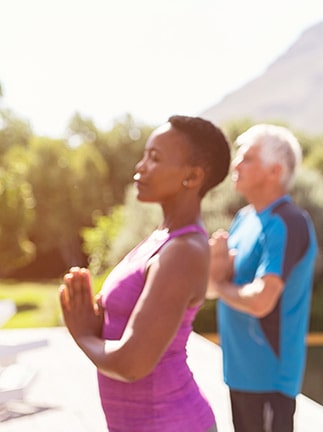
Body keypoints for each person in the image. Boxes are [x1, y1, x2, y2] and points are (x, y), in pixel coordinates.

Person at [58, 115, 231, 432]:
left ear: (192, 177)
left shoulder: (184, 250)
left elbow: (132, 364)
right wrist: (99, 325)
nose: (140, 166)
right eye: (144, 154)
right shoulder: (161, 238)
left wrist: (83, 335)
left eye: (155, 158)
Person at [207, 124, 318, 432]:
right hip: (239, 373)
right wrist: (216, 268)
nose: (236, 164)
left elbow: (260, 300)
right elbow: (212, 290)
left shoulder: (288, 222)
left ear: (275, 170)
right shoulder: (245, 218)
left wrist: (220, 283)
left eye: (248, 158)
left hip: (269, 379)